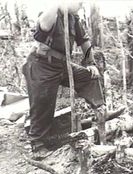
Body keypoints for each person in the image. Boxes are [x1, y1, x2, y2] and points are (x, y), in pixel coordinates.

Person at [22, 2, 106, 152]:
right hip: (41, 64)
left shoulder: (73, 19)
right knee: (42, 102)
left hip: (62, 65)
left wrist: (91, 63)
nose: (81, 5)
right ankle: (37, 143)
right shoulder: (49, 12)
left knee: (89, 77)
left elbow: (84, 42)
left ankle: (100, 110)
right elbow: (45, 26)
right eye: (78, 2)